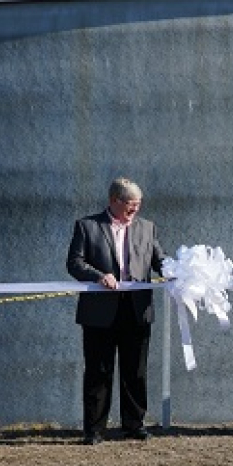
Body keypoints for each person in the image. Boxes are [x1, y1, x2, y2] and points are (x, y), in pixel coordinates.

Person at [67, 178, 166, 445]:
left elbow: (160, 260)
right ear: (114, 201)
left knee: (136, 370)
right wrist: (99, 276)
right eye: (130, 205)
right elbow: (74, 263)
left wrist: (180, 273)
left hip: (137, 309)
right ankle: (94, 429)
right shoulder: (87, 226)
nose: (135, 210)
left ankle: (134, 424)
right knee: (99, 370)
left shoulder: (148, 228)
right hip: (100, 311)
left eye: (138, 205)